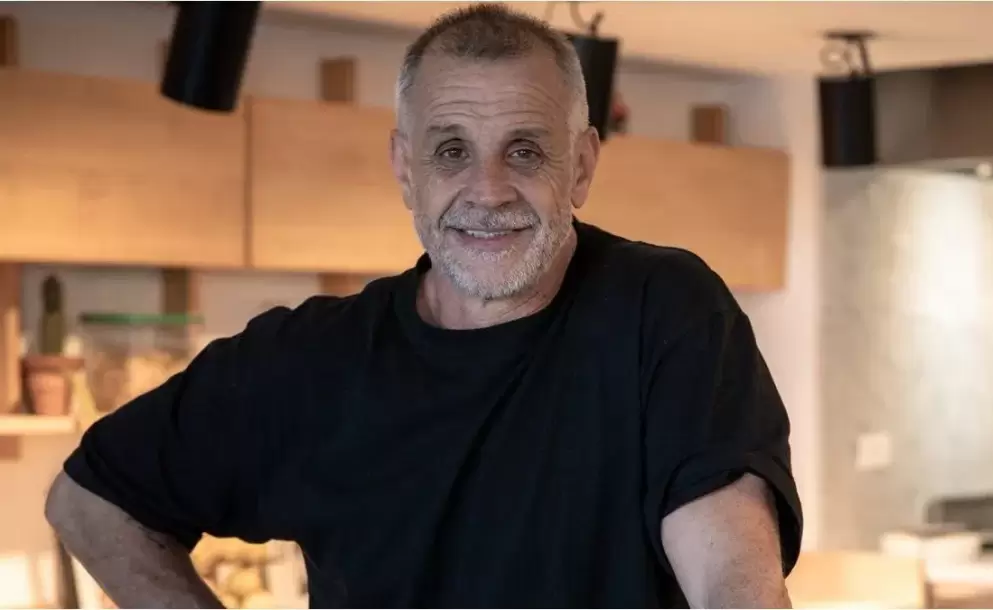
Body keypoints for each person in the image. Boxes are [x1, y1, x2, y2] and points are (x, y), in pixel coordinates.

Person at [45, 4, 802, 608]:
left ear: (580, 166)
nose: (488, 190)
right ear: (406, 170)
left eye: (525, 150)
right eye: (450, 151)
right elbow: (91, 501)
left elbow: (731, 573)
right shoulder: (314, 361)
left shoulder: (663, 312)